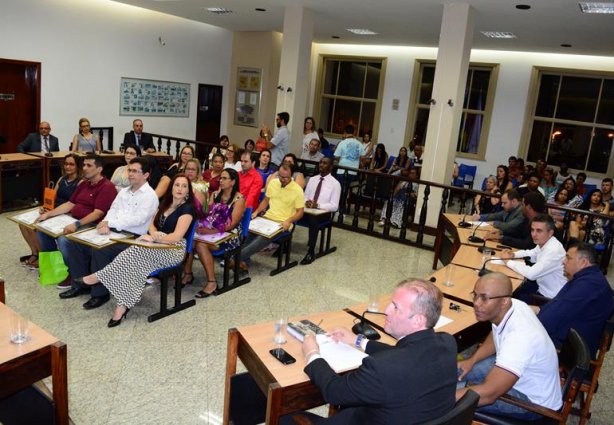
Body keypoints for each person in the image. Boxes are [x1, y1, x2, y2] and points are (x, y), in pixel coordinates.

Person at [289, 279, 457, 425]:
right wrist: (358, 341)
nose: (387, 310)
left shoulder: (381, 368)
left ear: (418, 320)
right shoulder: (447, 343)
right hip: (407, 415)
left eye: (396, 307)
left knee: (285, 416)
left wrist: (312, 353)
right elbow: (406, 353)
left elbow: (334, 391)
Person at [77, 173, 196, 327]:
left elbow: (176, 236)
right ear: (171, 187)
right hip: (157, 245)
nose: (180, 189)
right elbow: (151, 224)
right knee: (135, 262)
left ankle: (98, 277)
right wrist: (153, 234)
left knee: (135, 252)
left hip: (173, 249)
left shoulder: (187, 209)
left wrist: (154, 238)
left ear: (188, 191)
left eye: (184, 186)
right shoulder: (165, 204)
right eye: (177, 185)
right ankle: (122, 307)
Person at [456, 273, 562, 420]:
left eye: (484, 298)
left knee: (450, 396)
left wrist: (441, 400)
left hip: (534, 404)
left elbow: (489, 394)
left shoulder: (520, 337)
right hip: (520, 376)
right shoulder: (513, 306)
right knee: (455, 371)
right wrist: (472, 360)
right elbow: (496, 334)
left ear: (504, 301)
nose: (476, 303)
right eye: (475, 295)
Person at [58, 157, 159, 309]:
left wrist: (109, 223)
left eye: (135, 171)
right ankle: (80, 285)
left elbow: (138, 220)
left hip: (133, 238)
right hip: (113, 231)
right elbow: (113, 210)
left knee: (100, 249)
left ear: (145, 175)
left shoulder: (150, 196)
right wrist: (106, 222)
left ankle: (100, 294)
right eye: (129, 170)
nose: (130, 174)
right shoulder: (124, 191)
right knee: (74, 241)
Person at [34, 155, 117, 288]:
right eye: (84, 165)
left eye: (89, 166)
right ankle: (55, 267)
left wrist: (76, 224)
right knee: (42, 231)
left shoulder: (107, 187)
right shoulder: (84, 183)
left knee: (64, 239)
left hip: (92, 225)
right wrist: (49, 214)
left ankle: (74, 272)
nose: (84, 168)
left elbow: (98, 213)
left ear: (99, 169)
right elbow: (70, 203)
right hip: (73, 219)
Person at [535, 242, 614, 357]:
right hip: (566, 341)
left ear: (583, 262)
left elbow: (548, 320)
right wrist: (535, 310)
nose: (563, 261)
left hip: (565, 352)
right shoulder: (589, 279)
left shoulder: (587, 286)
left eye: (568, 258)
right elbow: (557, 306)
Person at [19, 153, 82, 269]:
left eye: (71, 164)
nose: (68, 167)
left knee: (36, 226)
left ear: (77, 166)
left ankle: (42, 256)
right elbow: (53, 197)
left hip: (65, 214)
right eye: (66, 164)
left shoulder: (80, 182)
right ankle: (35, 253)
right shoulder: (61, 179)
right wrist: (45, 207)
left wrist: (50, 213)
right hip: (53, 210)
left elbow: (74, 204)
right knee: (23, 224)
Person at [191, 168, 246, 298]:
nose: (221, 180)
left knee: (200, 244)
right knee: (191, 241)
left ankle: (212, 283)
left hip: (231, 235)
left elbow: (230, 225)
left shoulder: (239, 199)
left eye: (225, 178)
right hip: (213, 231)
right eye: (220, 178)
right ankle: (187, 274)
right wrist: (201, 222)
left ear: (233, 182)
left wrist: (208, 231)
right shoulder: (215, 195)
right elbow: (207, 215)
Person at [237, 165, 304, 272]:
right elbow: (265, 201)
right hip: (267, 218)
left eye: (286, 177)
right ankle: (243, 260)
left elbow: (300, 212)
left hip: (282, 223)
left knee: (262, 238)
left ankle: (235, 258)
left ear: (291, 176)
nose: (283, 180)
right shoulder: (273, 183)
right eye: (281, 177)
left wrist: (289, 220)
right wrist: (257, 212)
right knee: (248, 233)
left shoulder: (297, 190)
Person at [500, 214, 566, 300]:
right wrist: (513, 254)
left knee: (508, 294)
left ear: (550, 233)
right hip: (541, 287)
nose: (534, 234)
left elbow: (531, 274)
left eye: (539, 231)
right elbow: (531, 253)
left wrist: (508, 261)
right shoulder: (545, 242)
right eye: (532, 230)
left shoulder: (554, 251)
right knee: (506, 287)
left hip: (548, 298)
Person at [300, 157, 341, 265]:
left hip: (323, 214)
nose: (321, 165)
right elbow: (305, 196)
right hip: (308, 210)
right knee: (291, 212)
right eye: (320, 162)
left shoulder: (335, 184)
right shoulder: (312, 179)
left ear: (331, 167)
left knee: (314, 219)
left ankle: (311, 251)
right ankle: (283, 245)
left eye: (325, 163)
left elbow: (334, 206)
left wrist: (317, 205)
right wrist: (306, 202)